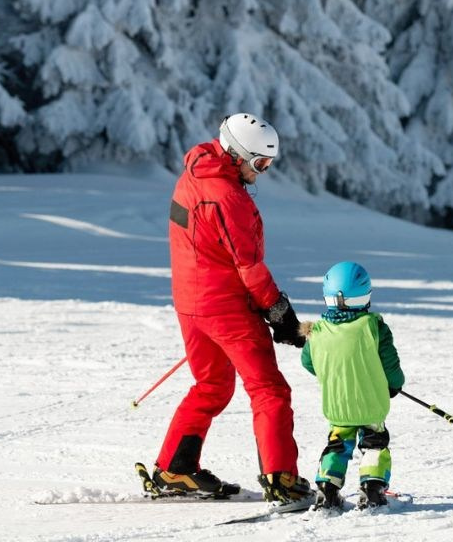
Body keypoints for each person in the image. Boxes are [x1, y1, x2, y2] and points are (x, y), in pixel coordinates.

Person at [151, 112, 312, 505]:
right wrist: (280, 314)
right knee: (269, 389)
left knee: (212, 386)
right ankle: (281, 478)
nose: (264, 171)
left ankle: (175, 468)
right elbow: (250, 268)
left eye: (269, 163)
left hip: (191, 304)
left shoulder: (193, 173)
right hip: (225, 308)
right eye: (260, 163)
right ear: (238, 154)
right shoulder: (228, 197)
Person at [299, 261, 404, 510]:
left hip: (338, 405)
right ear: (365, 295)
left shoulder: (317, 332)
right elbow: (390, 365)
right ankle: (373, 489)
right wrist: (394, 385)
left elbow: (309, 362)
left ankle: (327, 488)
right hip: (371, 404)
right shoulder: (373, 327)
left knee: (337, 444)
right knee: (374, 444)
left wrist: (334, 373)